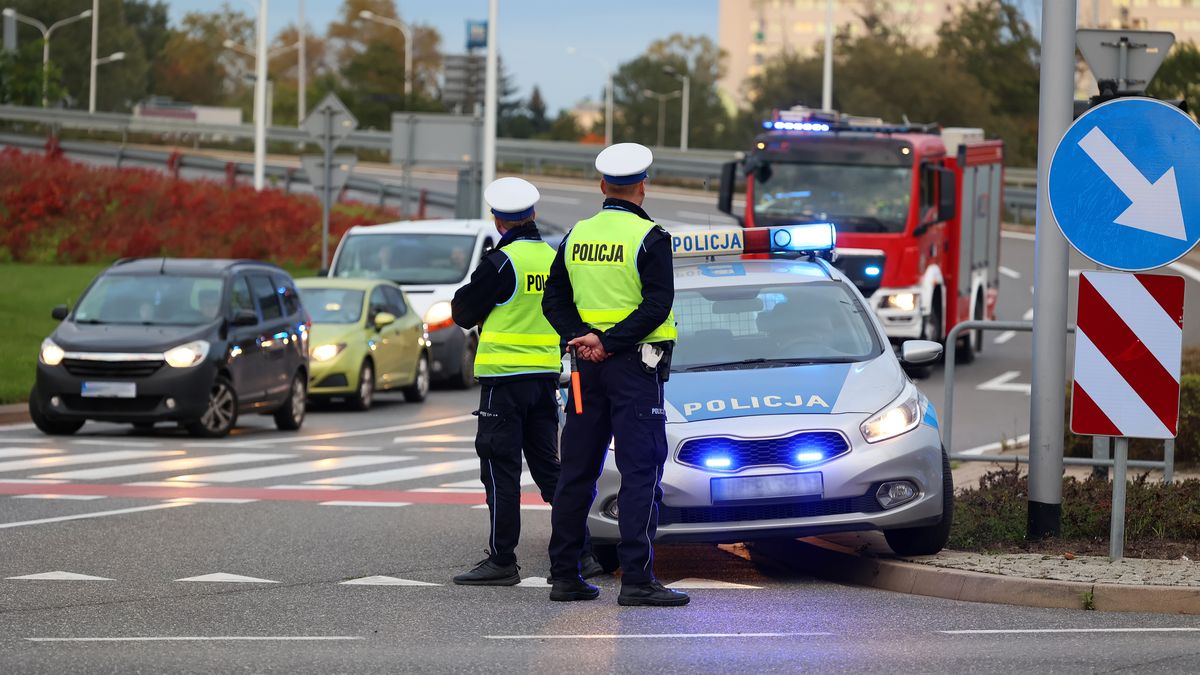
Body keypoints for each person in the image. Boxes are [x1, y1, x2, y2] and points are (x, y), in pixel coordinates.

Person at [542, 143, 689, 607]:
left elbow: (554, 301)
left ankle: (565, 576)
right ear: (642, 187)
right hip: (633, 369)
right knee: (640, 471)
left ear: (603, 186)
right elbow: (656, 305)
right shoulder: (651, 238)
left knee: (577, 473)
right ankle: (638, 581)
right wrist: (609, 341)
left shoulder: (575, 235)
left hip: (585, 370)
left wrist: (582, 337)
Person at [450, 177, 603, 585]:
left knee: (500, 470)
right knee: (551, 472)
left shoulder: (501, 263)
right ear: (532, 215)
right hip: (543, 381)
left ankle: (502, 561)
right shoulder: (553, 258)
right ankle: (583, 554)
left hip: (503, 382)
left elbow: (461, 312)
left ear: (498, 221)